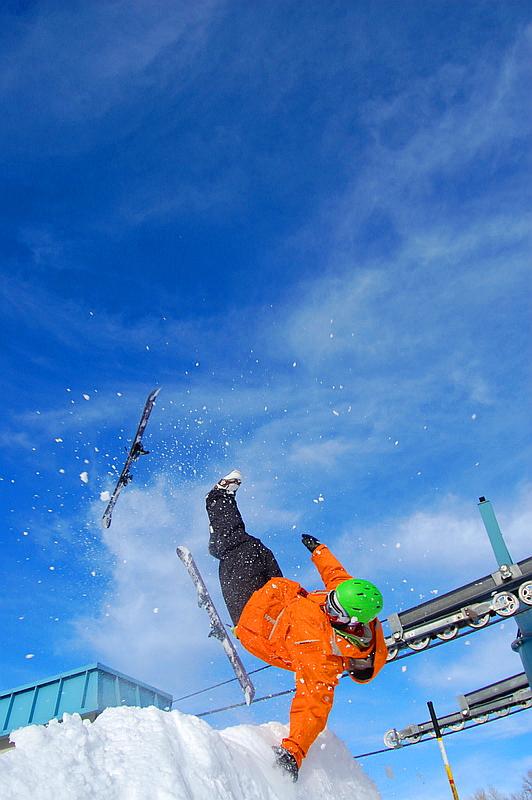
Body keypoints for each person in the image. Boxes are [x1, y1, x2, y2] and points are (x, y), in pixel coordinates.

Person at [206, 469, 388, 782]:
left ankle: (217, 500)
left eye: (332, 607)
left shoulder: (324, 658)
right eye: (331, 600)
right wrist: (320, 551)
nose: (327, 604)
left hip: (254, 618)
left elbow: (313, 705)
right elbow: (339, 578)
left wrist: (294, 751)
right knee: (258, 549)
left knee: (239, 550)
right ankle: (221, 538)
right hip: (281, 596)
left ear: (348, 623)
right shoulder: (357, 608)